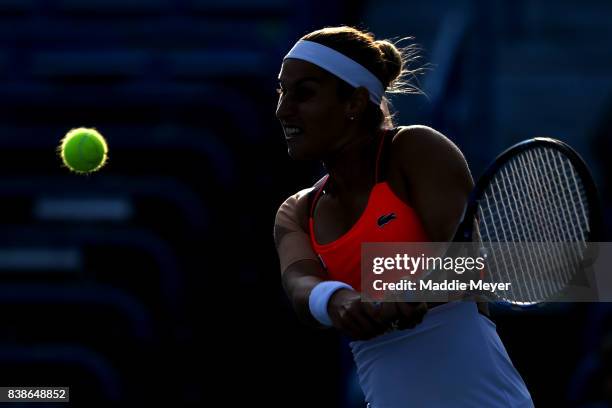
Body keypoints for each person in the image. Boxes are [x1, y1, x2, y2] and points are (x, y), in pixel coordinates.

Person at [273, 25, 533, 407]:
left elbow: (465, 264)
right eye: (281, 91)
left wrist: (409, 293)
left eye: (304, 93)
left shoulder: (415, 149)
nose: (283, 110)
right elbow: (300, 284)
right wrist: (337, 300)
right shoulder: (296, 211)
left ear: (355, 103)